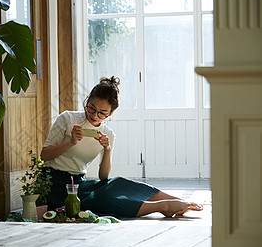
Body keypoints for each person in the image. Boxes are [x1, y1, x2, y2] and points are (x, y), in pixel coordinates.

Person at [40, 76, 203, 218]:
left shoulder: (107, 133)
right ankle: (162, 206)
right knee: (102, 200)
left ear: (110, 114)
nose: (95, 115)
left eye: (102, 113)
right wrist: (70, 143)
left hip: (79, 182)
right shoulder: (67, 118)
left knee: (117, 183)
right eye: (91, 108)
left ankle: (180, 201)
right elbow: (44, 155)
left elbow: (103, 177)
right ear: (87, 101)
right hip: (55, 183)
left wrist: (107, 149)